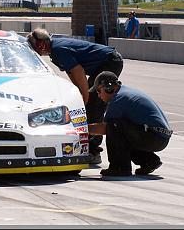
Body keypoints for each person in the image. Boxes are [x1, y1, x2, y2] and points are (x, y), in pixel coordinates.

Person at [27, 28, 123, 164]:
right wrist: (78, 93)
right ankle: (90, 147)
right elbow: (71, 72)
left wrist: (85, 97)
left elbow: (79, 72)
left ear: (41, 44)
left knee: (94, 104)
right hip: (101, 64)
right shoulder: (55, 53)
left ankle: (93, 151)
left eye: (33, 47)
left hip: (110, 61)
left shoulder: (59, 49)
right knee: (89, 101)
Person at [88, 71, 172, 177]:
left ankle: (119, 167)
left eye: (99, 91)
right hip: (159, 137)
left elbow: (105, 129)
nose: (99, 96)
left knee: (114, 126)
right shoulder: (125, 92)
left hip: (154, 137)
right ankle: (149, 161)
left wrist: (81, 129)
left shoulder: (118, 99)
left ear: (109, 88)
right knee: (123, 132)